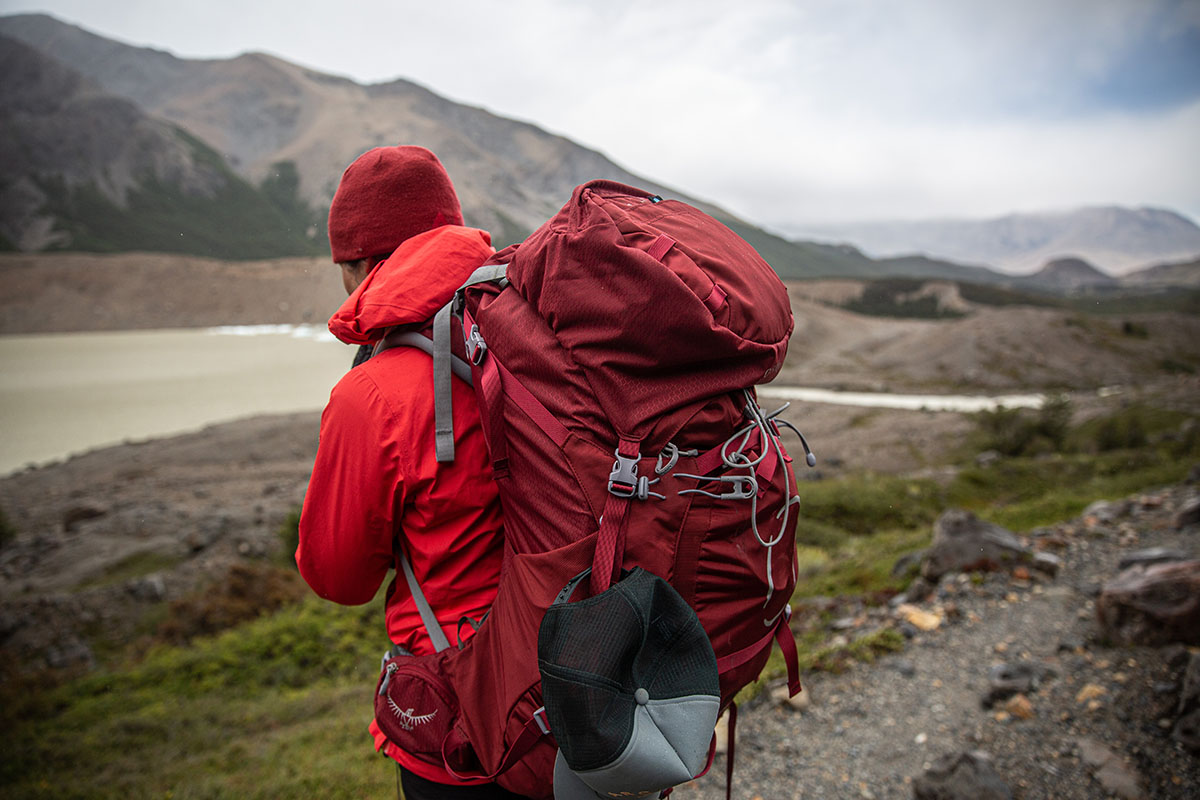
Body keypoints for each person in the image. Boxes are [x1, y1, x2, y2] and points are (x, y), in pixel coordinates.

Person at [296, 145, 520, 799]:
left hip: (464, 715)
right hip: (595, 668)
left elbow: (338, 577)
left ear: (359, 263)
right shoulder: (541, 332)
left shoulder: (372, 394)